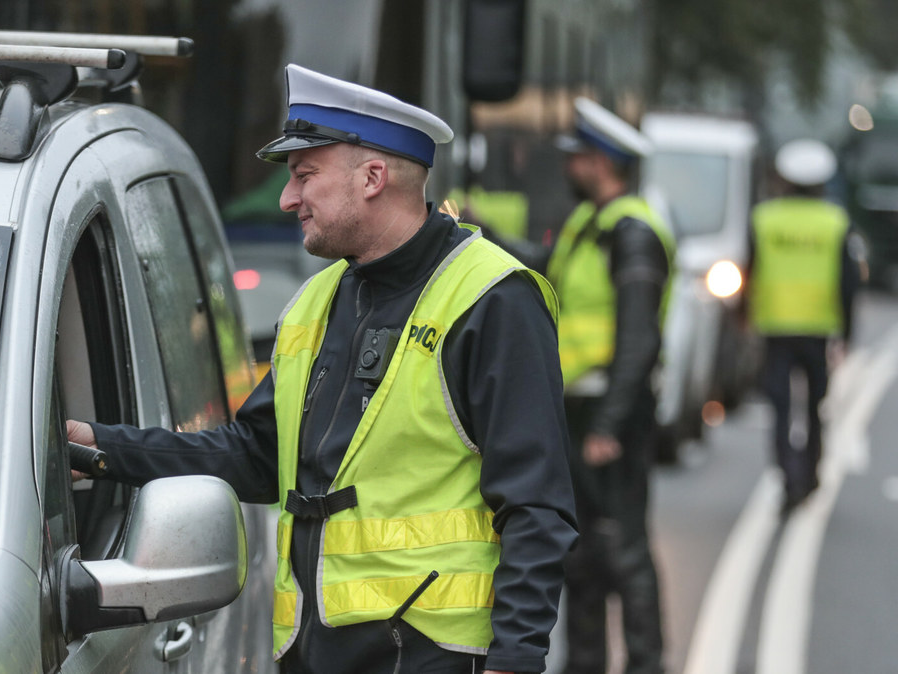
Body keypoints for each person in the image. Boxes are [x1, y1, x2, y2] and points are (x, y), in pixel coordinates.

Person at [68, 63, 577, 674]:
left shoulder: (491, 298)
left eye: (304, 176)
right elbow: (256, 458)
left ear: (372, 177)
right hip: (314, 654)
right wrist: (99, 448)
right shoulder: (317, 301)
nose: (287, 199)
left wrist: (516, 660)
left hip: (434, 658)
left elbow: (535, 505)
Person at [498, 97, 673, 674]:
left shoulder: (633, 233)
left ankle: (646, 663)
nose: (568, 166)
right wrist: (482, 231)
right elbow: (545, 267)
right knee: (581, 553)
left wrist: (609, 426)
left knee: (624, 548)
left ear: (600, 163)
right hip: (579, 406)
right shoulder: (589, 224)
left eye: (577, 157)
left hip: (609, 411)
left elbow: (638, 339)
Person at [744, 138, 858, 514]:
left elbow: (750, 271)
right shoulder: (835, 222)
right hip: (818, 329)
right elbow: (848, 283)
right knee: (814, 407)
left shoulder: (764, 218)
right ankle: (810, 474)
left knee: (778, 408)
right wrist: (847, 333)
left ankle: (789, 476)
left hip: (775, 328)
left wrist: (744, 316)